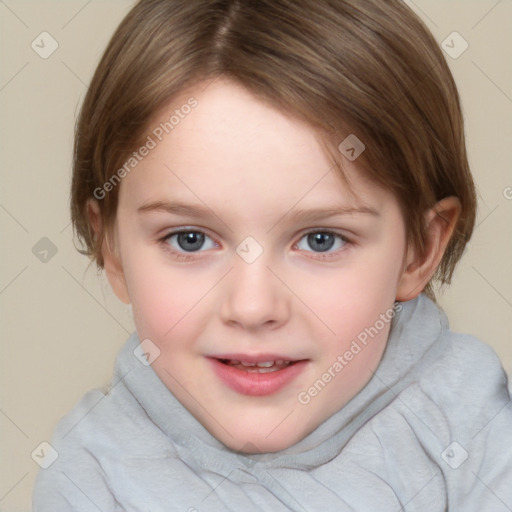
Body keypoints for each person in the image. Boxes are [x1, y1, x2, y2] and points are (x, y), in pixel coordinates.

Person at [33, 0, 512, 510]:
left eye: (321, 240)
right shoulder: (92, 473)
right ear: (113, 249)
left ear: (420, 249)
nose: (252, 306)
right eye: (190, 239)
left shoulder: (469, 429)